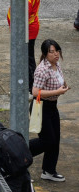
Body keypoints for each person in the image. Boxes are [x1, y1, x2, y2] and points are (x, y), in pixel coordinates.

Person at [30, 39, 68, 182]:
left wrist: (62, 87)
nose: (56, 54)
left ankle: (49, 171)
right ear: (45, 54)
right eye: (52, 52)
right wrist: (57, 91)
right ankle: (21, 153)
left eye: (57, 51)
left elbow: (59, 81)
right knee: (47, 140)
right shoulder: (42, 70)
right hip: (41, 106)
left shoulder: (56, 65)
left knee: (55, 139)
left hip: (52, 106)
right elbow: (35, 92)